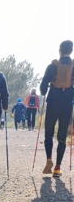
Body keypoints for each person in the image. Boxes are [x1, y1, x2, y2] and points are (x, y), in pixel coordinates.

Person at [40, 40, 74, 177]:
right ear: (71, 51)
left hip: (53, 101)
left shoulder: (52, 66)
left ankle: (49, 159)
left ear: (59, 50)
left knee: (49, 132)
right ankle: (58, 168)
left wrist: (45, 90)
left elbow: (42, 88)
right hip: (67, 104)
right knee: (62, 135)